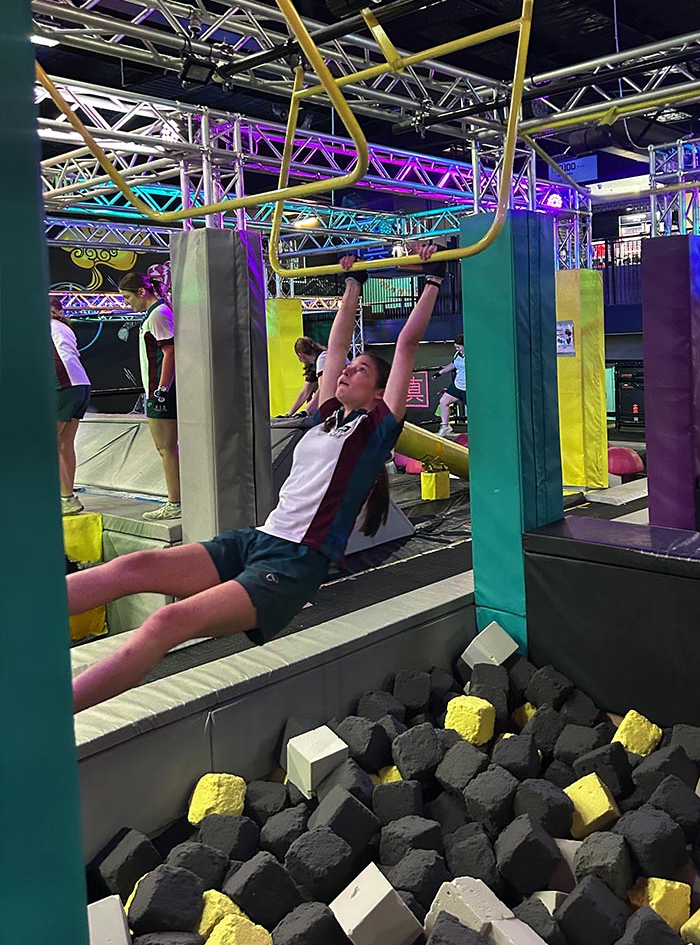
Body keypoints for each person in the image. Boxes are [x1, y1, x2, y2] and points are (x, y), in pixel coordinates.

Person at [67, 245, 445, 712]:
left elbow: (406, 345)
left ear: (377, 394)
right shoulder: (327, 417)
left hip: (294, 564)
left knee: (166, 623)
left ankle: (49, 715)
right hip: (259, 539)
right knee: (132, 568)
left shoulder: (376, 431)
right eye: (348, 366)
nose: (345, 368)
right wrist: (353, 284)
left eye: (360, 370)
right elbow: (337, 346)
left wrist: (431, 278)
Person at [119, 272, 181, 521]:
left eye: (127, 297)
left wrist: (162, 390)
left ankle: (175, 502)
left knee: (166, 448)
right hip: (157, 390)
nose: (126, 302)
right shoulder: (154, 315)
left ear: (141, 292)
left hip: (161, 392)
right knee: (165, 448)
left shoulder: (158, 314)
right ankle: (176, 499)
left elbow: (171, 352)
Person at [51, 297, 92, 516]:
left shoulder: (42, 327)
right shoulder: (64, 327)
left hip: (63, 385)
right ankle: (67, 499)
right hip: (81, 384)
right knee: (65, 444)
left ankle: (41, 496)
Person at [286, 336, 329, 419]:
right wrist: (289, 415)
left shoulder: (323, 359)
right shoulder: (316, 363)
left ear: (300, 355)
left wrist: (306, 411)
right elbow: (304, 393)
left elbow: (323, 390)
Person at [434, 334, 466, 438]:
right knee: (443, 402)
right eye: (456, 347)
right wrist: (439, 373)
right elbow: (453, 365)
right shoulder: (457, 354)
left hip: (469, 388)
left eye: (458, 347)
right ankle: (445, 426)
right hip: (457, 385)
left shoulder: (473, 355)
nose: (457, 349)